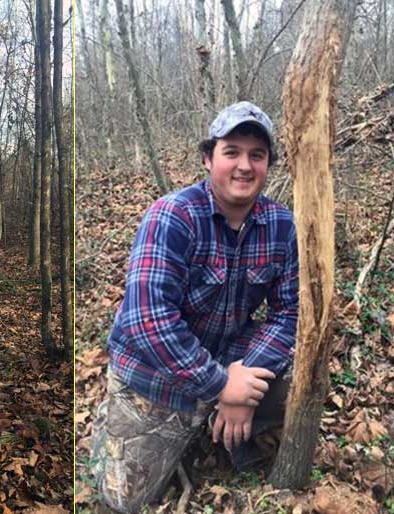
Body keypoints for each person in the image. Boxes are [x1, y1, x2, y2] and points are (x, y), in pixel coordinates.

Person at [91, 102, 299, 513]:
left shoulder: (280, 224)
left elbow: (289, 312)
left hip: (228, 356)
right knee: (122, 501)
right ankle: (119, 419)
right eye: (232, 152)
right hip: (155, 379)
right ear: (209, 158)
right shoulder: (172, 216)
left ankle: (222, 426)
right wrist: (221, 385)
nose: (244, 166)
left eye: (256, 155)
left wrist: (241, 384)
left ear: (268, 165)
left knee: (299, 381)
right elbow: (147, 321)